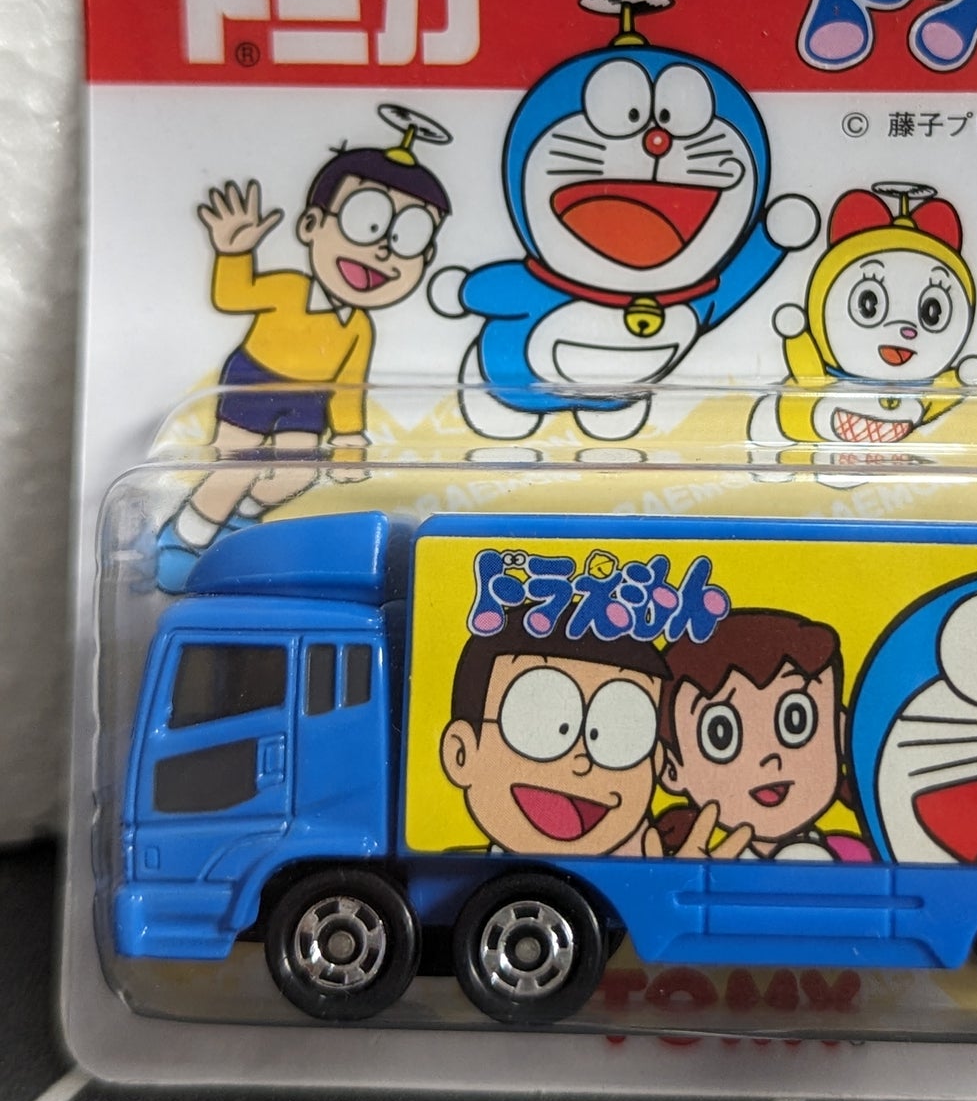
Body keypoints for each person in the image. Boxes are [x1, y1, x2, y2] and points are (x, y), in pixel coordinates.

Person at [154, 112, 451, 592]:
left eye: (406, 237)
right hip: (254, 380)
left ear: (426, 258)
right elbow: (231, 296)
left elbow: (349, 387)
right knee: (234, 468)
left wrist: (349, 439)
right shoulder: (288, 288)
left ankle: (240, 522)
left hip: (310, 399)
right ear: (312, 224)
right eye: (366, 222)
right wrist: (233, 252)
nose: (380, 250)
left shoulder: (358, 326)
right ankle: (184, 540)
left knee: (298, 473)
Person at [442, 607, 751, 859]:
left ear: (655, 763)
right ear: (461, 753)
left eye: (620, 733)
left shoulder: (645, 859)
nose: (581, 761)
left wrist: (667, 883)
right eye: (542, 725)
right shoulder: (457, 868)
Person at [657, 608, 858, 861]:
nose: (769, 757)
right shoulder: (690, 860)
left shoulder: (854, 854)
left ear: (840, 729)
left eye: (796, 721)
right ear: (671, 768)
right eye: (721, 736)